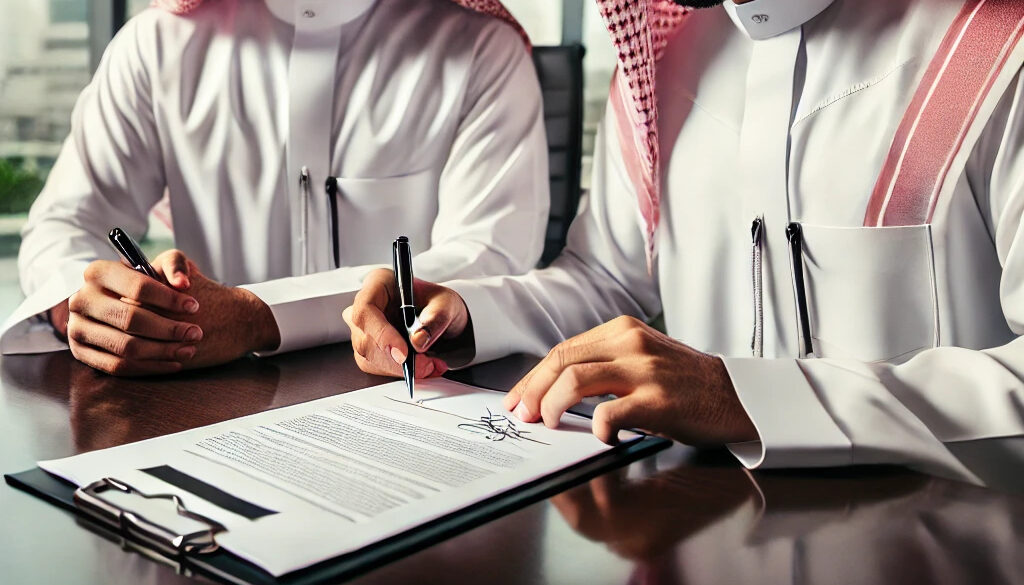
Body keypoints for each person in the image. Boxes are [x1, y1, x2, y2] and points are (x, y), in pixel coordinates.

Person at [345, 0, 1024, 483]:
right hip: (702, 533)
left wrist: (741, 397)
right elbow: (605, 280)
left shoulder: (998, 51)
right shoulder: (667, 56)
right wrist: (463, 314)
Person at [0, 0, 549, 376]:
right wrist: (93, 302)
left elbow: (488, 258)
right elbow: (64, 223)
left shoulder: (480, 50)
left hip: (409, 399)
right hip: (194, 404)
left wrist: (253, 316)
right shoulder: (156, 46)